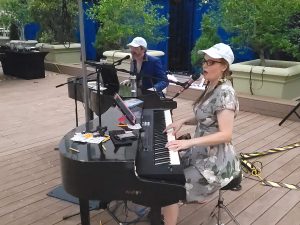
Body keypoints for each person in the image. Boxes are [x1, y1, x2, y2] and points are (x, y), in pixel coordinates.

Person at [162, 43, 241, 225]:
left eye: (211, 62)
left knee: (169, 187)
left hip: (215, 162)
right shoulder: (212, 85)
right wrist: (184, 121)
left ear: (224, 66)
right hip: (201, 153)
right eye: (205, 62)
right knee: (165, 170)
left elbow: (226, 134)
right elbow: (206, 115)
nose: (205, 66)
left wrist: (188, 143)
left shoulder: (225, 93)